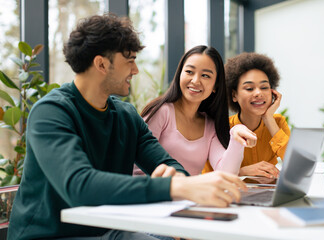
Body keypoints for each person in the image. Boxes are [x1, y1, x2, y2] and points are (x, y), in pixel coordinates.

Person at [7, 14, 247, 240]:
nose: (136, 70)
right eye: (130, 61)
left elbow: (168, 165)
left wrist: (180, 179)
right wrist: (172, 186)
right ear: (101, 64)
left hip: (107, 231)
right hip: (49, 235)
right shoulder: (51, 112)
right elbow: (79, 185)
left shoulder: (126, 115)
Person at [133, 45, 257, 176]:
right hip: (157, 194)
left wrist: (236, 137)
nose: (195, 81)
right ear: (180, 74)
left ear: (215, 85)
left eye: (205, 75)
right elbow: (136, 169)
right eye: (189, 72)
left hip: (190, 196)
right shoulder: (161, 112)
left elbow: (226, 173)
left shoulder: (210, 125)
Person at [202, 52, 290, 179]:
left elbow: (295, 164)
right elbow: (208, 176)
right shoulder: (221, 128)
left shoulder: (277, 123)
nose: (258, 93)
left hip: (270, 193)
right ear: (234, 95)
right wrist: (241, 171)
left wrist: (268, 119)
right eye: (249, 88)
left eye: (264, 87)